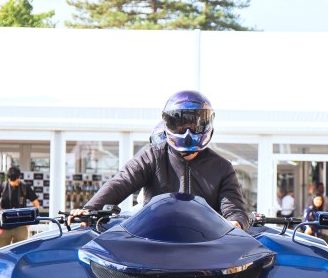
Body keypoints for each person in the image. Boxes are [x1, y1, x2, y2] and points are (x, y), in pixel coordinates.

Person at [78, 91, 249, 229]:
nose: (188, 131)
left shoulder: (221, 167)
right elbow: (121, 182)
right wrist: (90, 209)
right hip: (154, 242)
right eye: (180, 124)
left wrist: (236, 222)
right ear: (168, 123)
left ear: (207, 123)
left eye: (195, 124)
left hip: (204, 245)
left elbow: (233, 207)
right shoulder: (153, 156)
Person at [0, 166, 41, 247]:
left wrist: (30, 220)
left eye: (18, 178)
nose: (17, 181)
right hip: (4, 226)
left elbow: (36, 205)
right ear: (9, 179)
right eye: (15, 180)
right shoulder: (3, 186)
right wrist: (1, 210)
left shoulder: (24, 187)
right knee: (2, 251)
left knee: (20, 251)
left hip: (21, 226)